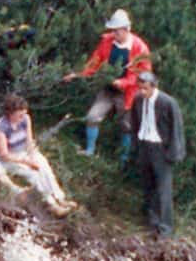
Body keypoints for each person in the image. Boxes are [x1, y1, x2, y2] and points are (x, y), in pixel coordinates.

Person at [62, 9, 150, 157]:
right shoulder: (107, 41)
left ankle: (124, 158)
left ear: (126, 29)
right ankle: (90, 151)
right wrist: (78, 74)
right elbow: (94, 62)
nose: (114, 34)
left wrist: (122, 83)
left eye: (117, 31)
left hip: (128, 93)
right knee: (92, 117)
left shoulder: (140, 48)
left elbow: (142, 75)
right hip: (108, 89)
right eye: (113, 30)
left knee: (127, 126)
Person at [0, 94, 75, 215]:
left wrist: (32, 156)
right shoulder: (1, 128)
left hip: (25, 151)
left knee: (44, 166)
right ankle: (51, 204)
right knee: (33, 174)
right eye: (19, 114)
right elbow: (4, 155)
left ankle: (60, 198)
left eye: (24, 113)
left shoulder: (26, 119)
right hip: (11, 157)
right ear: (11, 113)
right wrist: (27, 162)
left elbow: (29, 141)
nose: (22, 117)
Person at [127, 70, 186, 237]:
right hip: (145, 145)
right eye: (140, 88)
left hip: (161, 148)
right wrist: (135, 146)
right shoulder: (138, 99)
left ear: (154, 87)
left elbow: (176, 129)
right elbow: (135, 122)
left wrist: (174, 153)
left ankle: (165, 228)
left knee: (163, 189)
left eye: (145, 88)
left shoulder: (167, 102)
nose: (142, 92)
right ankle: (151, 222)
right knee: (148, 185)